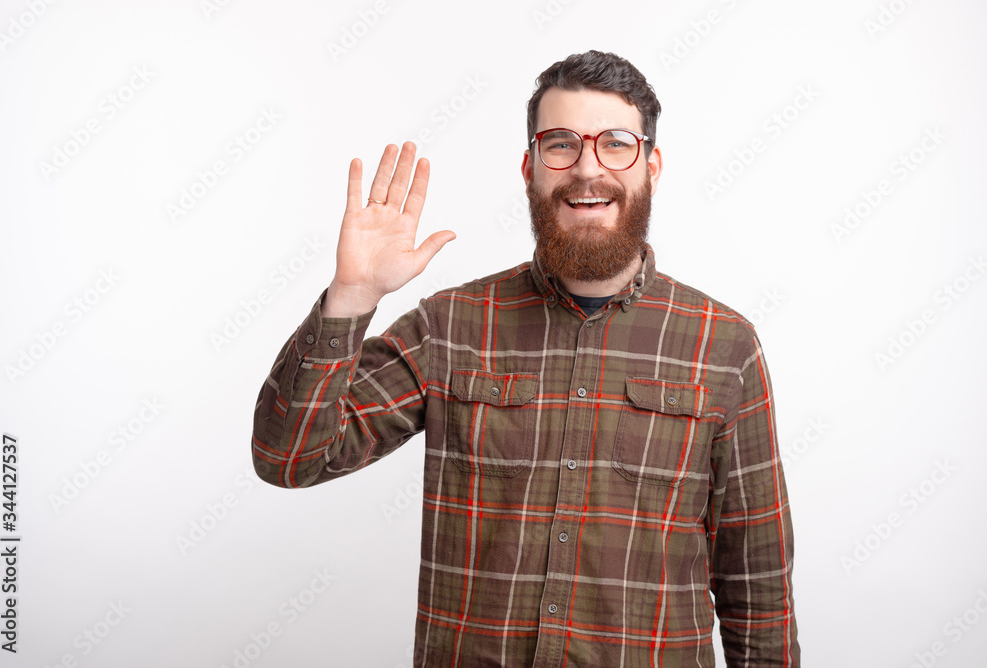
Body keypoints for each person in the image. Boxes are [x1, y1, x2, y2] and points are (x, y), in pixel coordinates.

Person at [252, 50, 799, 667]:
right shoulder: (451, 326)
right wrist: (353, 296)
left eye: (615, 144)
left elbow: (758, 592)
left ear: (651, 164)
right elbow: (289, 458)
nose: (587, 169)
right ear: (529, 167)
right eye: (561, 144)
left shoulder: (725, 347)